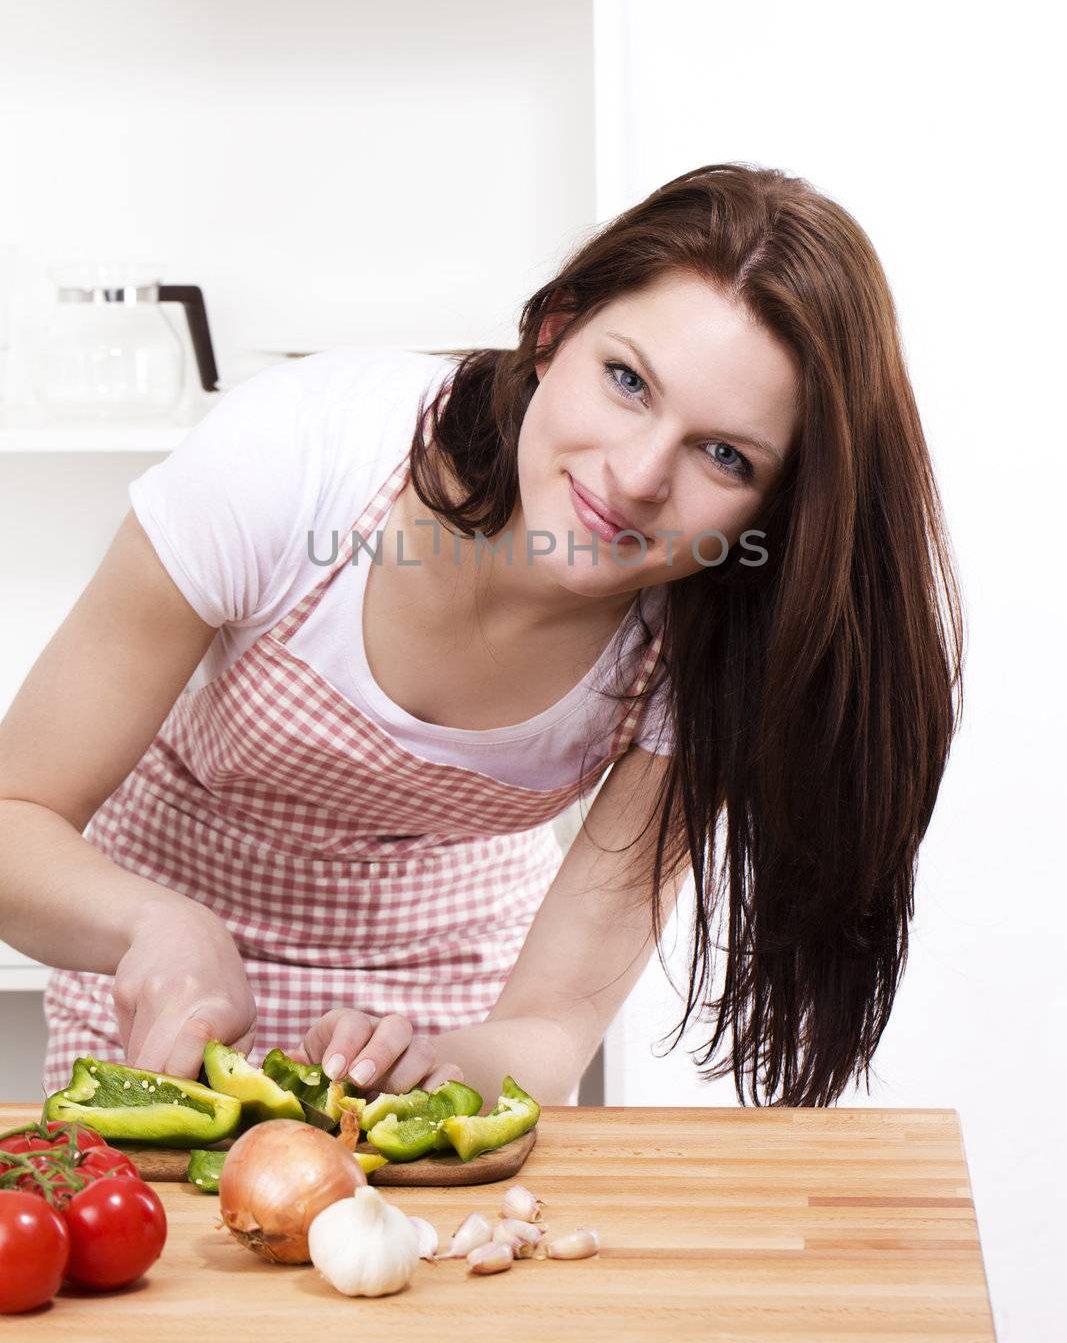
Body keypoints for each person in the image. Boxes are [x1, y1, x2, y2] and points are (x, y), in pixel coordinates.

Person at [0, 162, 963, 1110]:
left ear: (777, 501)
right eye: (626, 380)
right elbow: (15, 813)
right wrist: (154, 928)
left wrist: (448, 1067)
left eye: (723, 454)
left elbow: (549, 1026)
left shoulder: (705, 648)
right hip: (157, 959)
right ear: (552, 335)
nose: (634, 477)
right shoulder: (294, 462)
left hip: (451, 995)